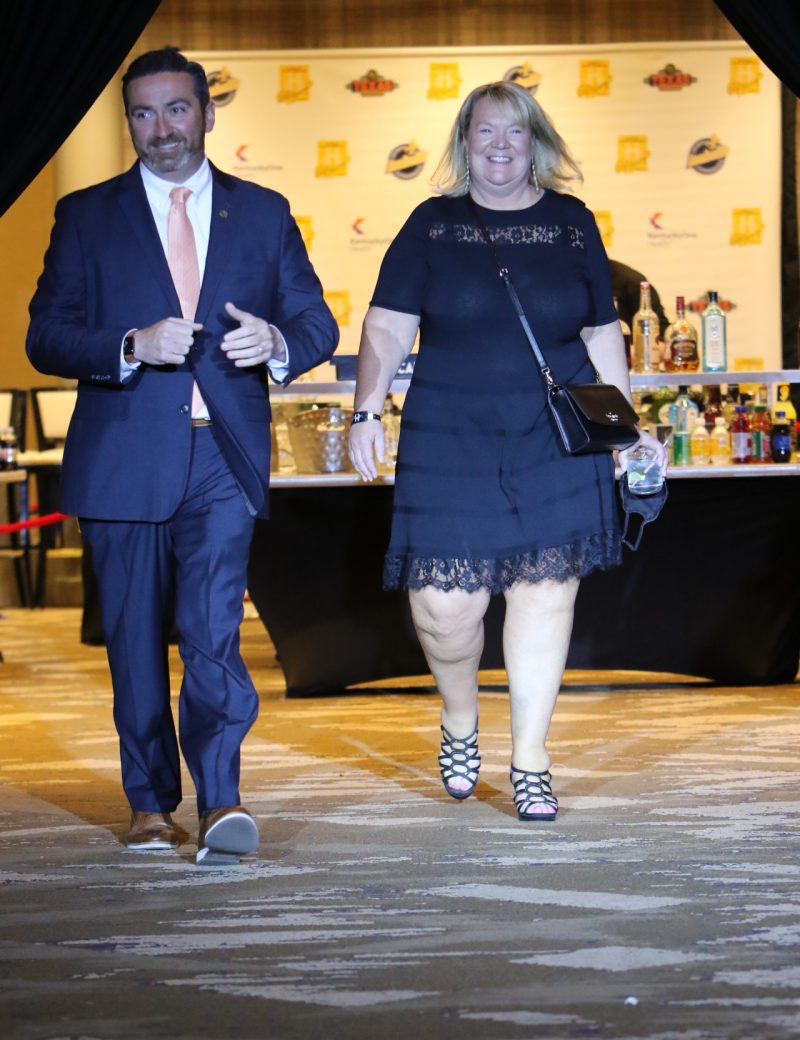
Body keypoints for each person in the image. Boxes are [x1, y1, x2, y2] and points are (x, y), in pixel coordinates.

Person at [27, 47, 338, 863]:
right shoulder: (86, 215)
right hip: (123, 458)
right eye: (143, 113)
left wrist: (277, 342)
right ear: (128, 121)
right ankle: (149, 803)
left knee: (212, 632)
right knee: (134, 643)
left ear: (207, 112)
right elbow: (45, 335)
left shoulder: (262, 211)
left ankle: (222, 798)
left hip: (221, 456)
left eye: (176, 109)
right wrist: (130, 344)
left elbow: (316, 323)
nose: (161, 128)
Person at [349, 81, 665, 822]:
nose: (499, 145)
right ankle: (460, 716)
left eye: (514, 131)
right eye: (485, 131)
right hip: (449, 434)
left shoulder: (572, 223)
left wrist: (623, 430)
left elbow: (600, 332)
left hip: (552, 433)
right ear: (465, 143)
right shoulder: (432, 225)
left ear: (535, 143)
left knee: (545, 592)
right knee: (443, 608)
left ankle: (530, 759)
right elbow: (387, 325)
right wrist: (367, 409)